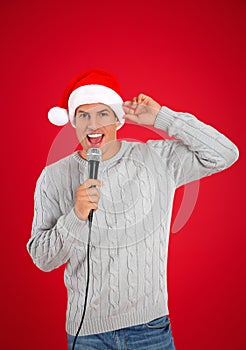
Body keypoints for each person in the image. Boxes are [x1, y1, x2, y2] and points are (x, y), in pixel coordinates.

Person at [27, 68, 239, 350]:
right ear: (72, 121)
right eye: (83, 115)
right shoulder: (53, 177)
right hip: (87, 334)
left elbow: (225, 153)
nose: (93, 125)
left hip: (150, 329)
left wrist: (163, 117)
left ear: (117, 118)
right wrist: (75, 215)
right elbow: (43, 258)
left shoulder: (156, 158)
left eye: (103, 113)